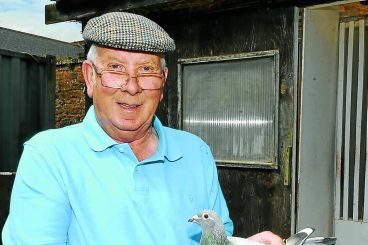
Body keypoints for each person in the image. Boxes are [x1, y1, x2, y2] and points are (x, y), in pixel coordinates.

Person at [2, 12, 284, 245]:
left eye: (147, 70)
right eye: (115, 67)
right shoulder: (50, 156)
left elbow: (216, 239)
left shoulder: (195, 152)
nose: (133, 86)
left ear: (163, 82)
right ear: (90, 77)